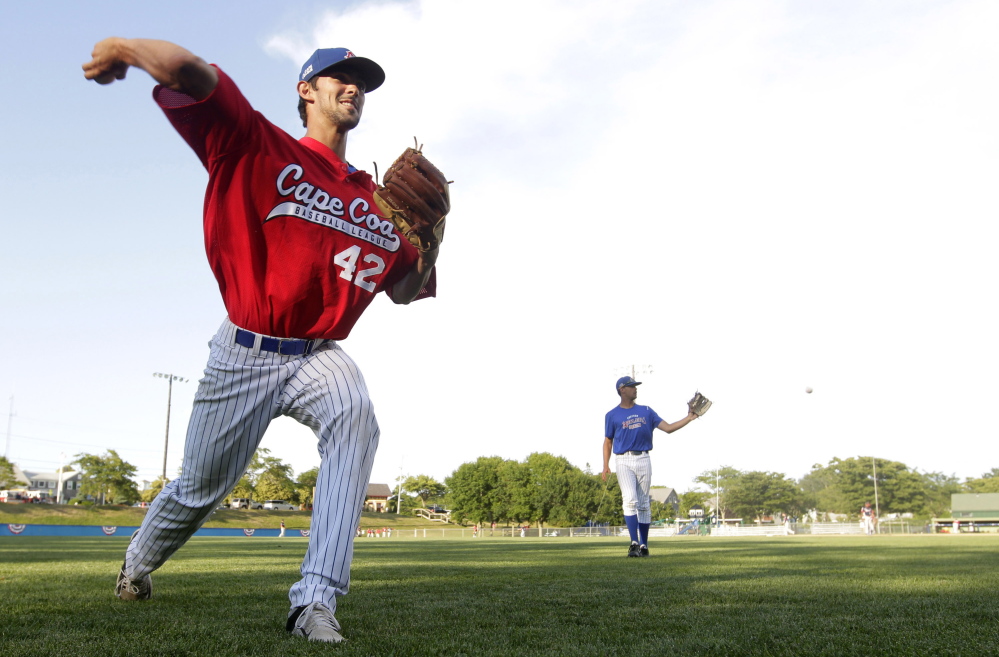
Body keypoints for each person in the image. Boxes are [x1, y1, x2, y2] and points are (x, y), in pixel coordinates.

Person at [84, 38, 440, 644]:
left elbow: (405, 291)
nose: (352, 87)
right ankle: (137, 563)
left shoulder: (375, 203)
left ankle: (315, 602)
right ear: (306, 90)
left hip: (318, 353)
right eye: (338, 77)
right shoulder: (255, 143)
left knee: (355, 416)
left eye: (360, 81)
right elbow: (196, 75)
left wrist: (432, 239)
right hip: (243, 349)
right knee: (201, 486)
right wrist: (125, 49)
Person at [602, 376, 698, 557]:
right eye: (631, 387)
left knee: (644, 503)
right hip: (623, 459)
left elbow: (668, 428)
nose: (635, 389)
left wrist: (689, 418)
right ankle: (633, 543)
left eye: (635, 386)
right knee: (630, 500)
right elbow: (608, 441)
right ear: (622, 390)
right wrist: (605, 464)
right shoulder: (612, 415)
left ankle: (644, 545)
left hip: (644, 458)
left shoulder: (646, 411)